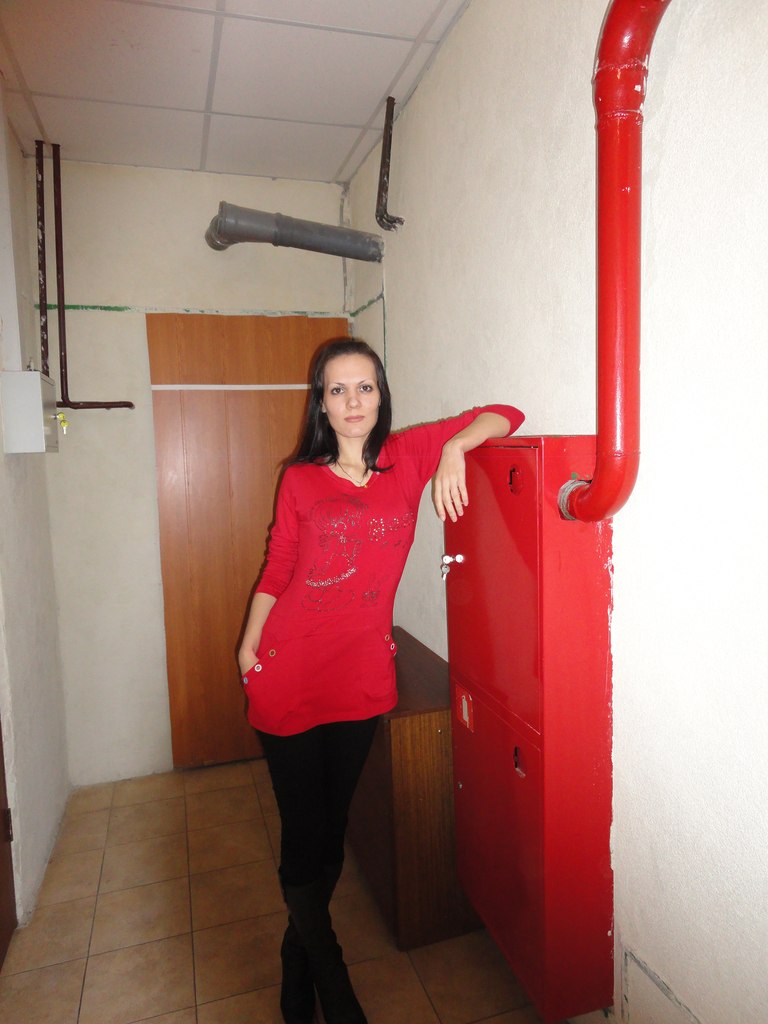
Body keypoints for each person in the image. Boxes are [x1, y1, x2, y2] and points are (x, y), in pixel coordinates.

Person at [238, 338, 524, 1024]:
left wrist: (454, 450)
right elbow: (278, 566)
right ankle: (331, 977)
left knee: (331, 828)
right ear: (321, 404)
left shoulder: (409, 456)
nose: (352, 401)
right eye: (337, 390)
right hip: (287, 672)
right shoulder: (300, 479)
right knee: (304, 831)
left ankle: (296, 951)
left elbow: (505, 414)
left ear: (381, 394)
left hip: (361, 679)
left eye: (364, 387)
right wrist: (248, 645)